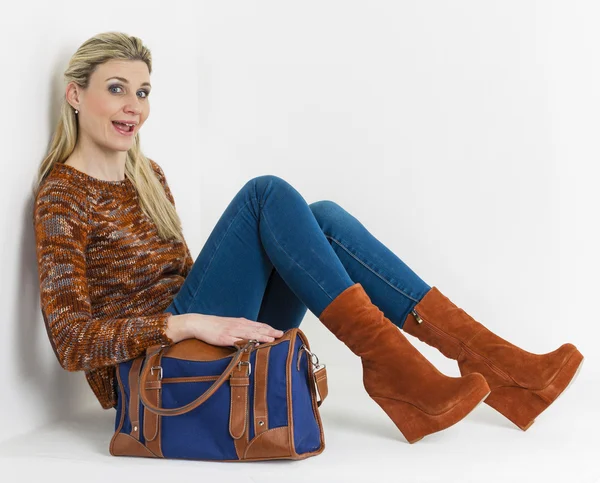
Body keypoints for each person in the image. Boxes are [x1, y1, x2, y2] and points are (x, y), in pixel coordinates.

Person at [32, 31, 584, 445]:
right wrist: (191, 322)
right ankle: (401, 370)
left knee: (320, 217)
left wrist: (210, 314)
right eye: (117, 89)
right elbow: (71, 341)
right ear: (76, 95)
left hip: (196, 348)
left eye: (144, 91)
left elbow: (186, 278)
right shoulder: (62, 196)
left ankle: (499, 367)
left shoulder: (146, 177)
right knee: (265, 194)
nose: (135, 105)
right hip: (155, 378)